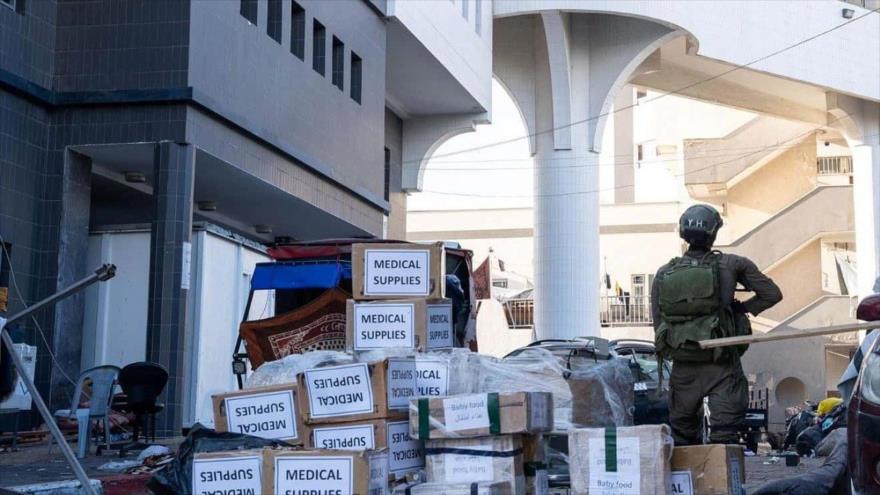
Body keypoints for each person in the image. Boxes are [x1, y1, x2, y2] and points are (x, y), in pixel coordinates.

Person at [651, 204, 782, 445]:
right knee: (725, 438)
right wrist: (741, 309)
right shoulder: (733, 264)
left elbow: (658, 323)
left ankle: (689, 470)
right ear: (714, 233)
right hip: (722, 364)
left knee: (683, 437)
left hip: (683, 365)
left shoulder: (664, 273)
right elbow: (771, 294)